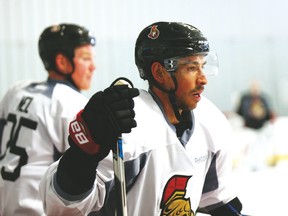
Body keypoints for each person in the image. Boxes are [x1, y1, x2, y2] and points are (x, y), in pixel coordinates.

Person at [40, 21, 244, 215]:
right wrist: (84, 154)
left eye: (203, 65)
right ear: (159, 72)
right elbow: (62, 207)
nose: (203, 79)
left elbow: (215, 197)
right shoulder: (126, 125)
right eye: (191, 68)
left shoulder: (211, 119)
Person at [0, 23, 96, 215]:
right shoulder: (73, 103)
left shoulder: (16, 91)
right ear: (62, 62)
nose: (93, 66)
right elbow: (81, 180)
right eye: (86, 59)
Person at [235, 80, 276, 171]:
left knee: (261, 147)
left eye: (257, 87)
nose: (255, 89)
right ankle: (247, 164)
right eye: (253, 86)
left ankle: (260, 164)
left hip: (261, 128)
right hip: (249, 128)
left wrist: (265, 115)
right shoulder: (245, 98)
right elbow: (239, 111)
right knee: (248, 147)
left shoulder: (264, 98)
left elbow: (269, 114)